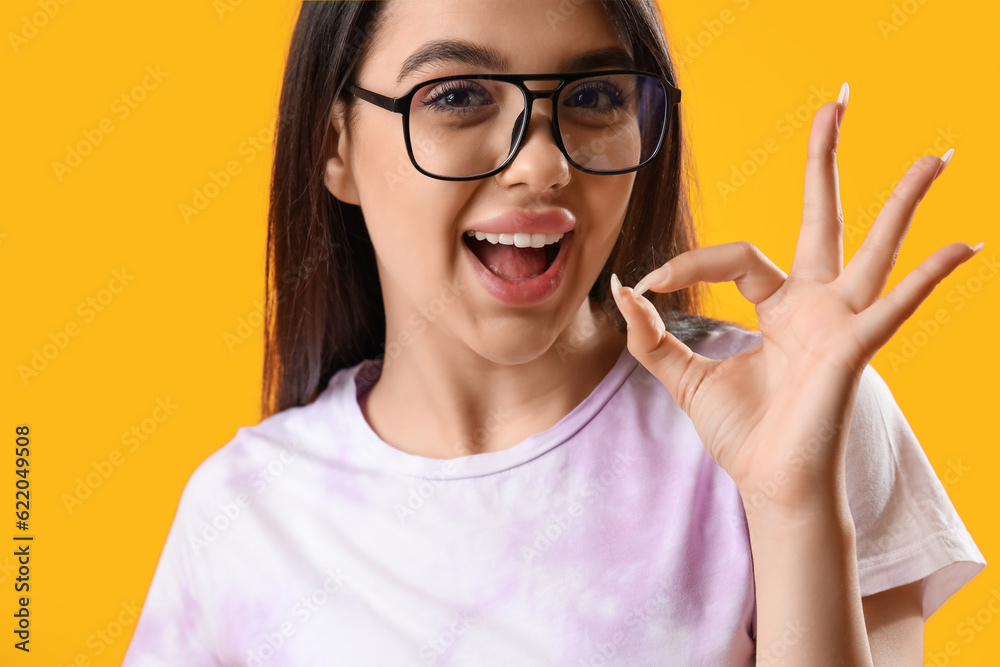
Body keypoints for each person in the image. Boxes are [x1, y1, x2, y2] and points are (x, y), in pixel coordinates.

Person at [120, 1, 986, 665]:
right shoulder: (244, 513)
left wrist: (796, 506)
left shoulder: (790, 413)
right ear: (335, 142)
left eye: (597, 95)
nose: (543, 163)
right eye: (457, 95)